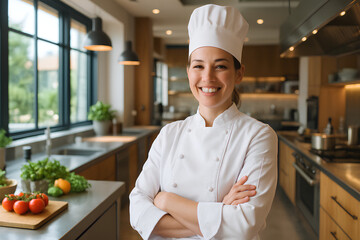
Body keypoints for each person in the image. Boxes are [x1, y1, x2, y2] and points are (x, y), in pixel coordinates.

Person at [130, 4, 278, 240]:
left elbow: (244, 225)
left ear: (239, 73)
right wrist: (221, 211)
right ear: (189, 71)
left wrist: (166, 200)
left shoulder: (258, 135)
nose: (207, 77)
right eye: (198, 65)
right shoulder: (169, 133)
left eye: (220, 66)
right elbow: (137, 210)